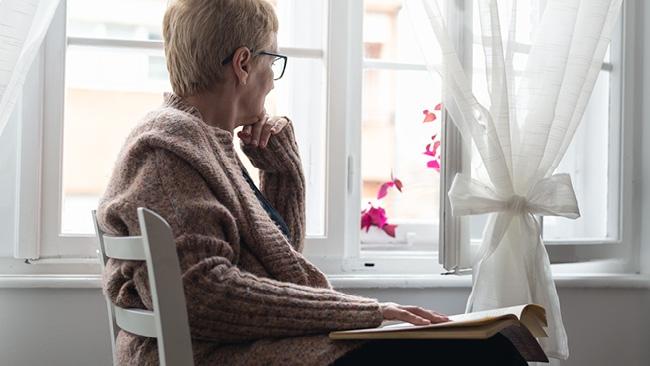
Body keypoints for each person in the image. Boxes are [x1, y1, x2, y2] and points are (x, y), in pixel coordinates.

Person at [96, 0, 528, 365]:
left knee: (491, 347)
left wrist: (280, 167)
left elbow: (280, 267)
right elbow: (202, 295)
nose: (272, 80)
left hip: (243, 349)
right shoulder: (170, 148)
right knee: (491, 354)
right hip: (221, 355)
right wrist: (365, 313)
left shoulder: (202, 141)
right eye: (273, 61)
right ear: (244, 64)